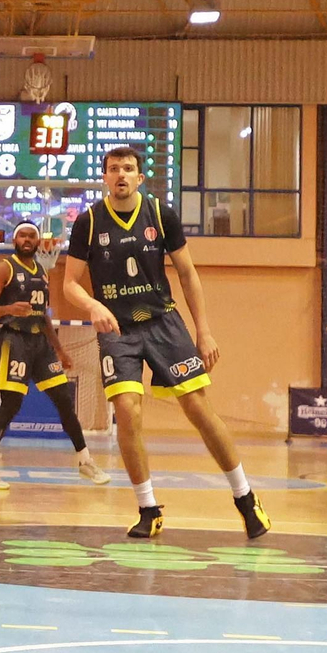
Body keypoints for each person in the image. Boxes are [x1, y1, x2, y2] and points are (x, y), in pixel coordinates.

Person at [62, 145, 270, 539]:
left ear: (140, 178)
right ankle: (148, 508)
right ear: (104, 177)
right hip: (118, 331)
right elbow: (69, 283)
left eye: (127, 168)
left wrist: (203, 330)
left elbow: (188, 275)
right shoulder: (88, 222)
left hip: (163, 322)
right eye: (112, 169)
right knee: (127, 411)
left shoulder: (160, 215)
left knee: (197, 408)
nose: (120, 174)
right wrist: (92, 305)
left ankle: (245, 498)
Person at [0, 222, 110, 489]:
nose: (27, 239)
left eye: (32, 236)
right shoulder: (5, 267)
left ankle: (85, 461)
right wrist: (9, 307)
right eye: (22, 235)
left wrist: (59, 349)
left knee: (64, 401)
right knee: (10, 405)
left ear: (38, 242)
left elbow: (44, 316)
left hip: (41, 345)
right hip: (16, 340)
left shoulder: (43, 272)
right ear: (14, 240)